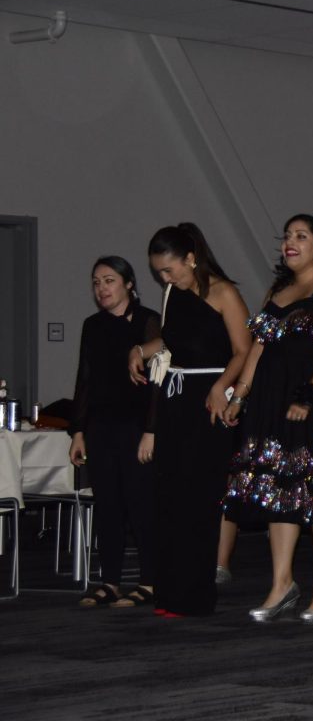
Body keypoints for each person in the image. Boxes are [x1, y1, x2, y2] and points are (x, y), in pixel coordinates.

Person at [222, 214, 313, 623]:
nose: (290, 243)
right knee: (279, 490)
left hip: (307, 401)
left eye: (301, 236)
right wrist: (239, 395)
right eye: (287, 237)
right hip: (268, 403)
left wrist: (309, 395)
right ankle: (282, 584)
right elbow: (258, 348)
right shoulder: (279, 289)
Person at [130, 223, 252, 617]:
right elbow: (170, 341)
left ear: (190, 258)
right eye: (159, 273)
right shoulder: (172, 294)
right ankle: (170, 592)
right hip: (175, 400)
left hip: (209, 402)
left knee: (199, 499)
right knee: (170, 497)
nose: (165, 279)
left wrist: (222, 387)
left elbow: (243, 350)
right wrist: (141, 348)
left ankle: (195, 595)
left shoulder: (224, 292)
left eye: (170, 270)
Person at [70, 256, 160, 608]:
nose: (101, 288)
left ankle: (150, 581)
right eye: (96, 282)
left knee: (141, 504)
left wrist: (151, 430)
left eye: (109, 280)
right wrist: (77, 430)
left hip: (137, 427)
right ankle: (109, 581)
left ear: (128, 284)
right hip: (101, 426)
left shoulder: (149, 321)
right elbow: (85, 379)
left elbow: (158, 382)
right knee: (106, 504)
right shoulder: (92, 325)